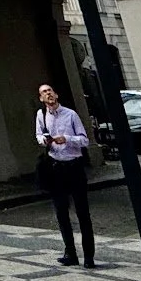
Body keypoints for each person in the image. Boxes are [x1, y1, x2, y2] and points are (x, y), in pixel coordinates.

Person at [35, 83, 94, 267]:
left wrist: (67, 139)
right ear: (41, 99)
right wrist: (45, 141)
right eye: (44, 92)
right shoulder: (40, 115)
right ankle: (70, 253)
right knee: (61, 212)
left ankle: (89, 255)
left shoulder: (71, 115)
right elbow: (38, 135)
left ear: (56, 94)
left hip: (74, 167)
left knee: (82, 211)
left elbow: (84, 140)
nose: (48, 94)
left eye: (50, 90)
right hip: (56, 167)